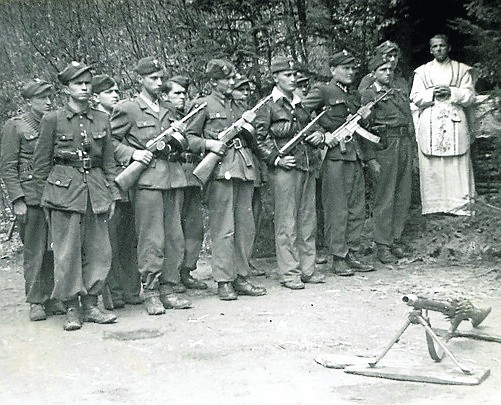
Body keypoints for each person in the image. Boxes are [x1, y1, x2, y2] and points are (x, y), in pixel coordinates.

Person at [32, 62, 119, 331]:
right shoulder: (52, 120)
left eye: (87, 83)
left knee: (100, 251)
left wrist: (112, 193)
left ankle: (91, 304)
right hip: (63, 194)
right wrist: (44, 200)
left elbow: (108, 162)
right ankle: (71, 307)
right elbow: (41, 165)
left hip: (95, 191)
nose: (83, 87)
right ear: (66, 88)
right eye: (77, 83)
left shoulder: (102, 119)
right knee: (67, 253)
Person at [111, 57, 192, 315]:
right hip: (146, 182)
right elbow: (109, 143)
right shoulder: (128, 109)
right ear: (140, 80)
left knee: (175, 238)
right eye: (153, 78)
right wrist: (132, 155)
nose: (158, 83)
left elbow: (178, 145)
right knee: (151, 239)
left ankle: (169, 288)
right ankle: (152, 291)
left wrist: (179, 134)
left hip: (172, 178)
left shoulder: (169, 109)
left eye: (160, 78)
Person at [185, 58, 267, 301]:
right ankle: (223, 280)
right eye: (227, 79)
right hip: (220, 170)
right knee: (224, 229)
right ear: (213, 82)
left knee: (245, 226)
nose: (232, 82)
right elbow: (189, 137)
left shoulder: (240, 105)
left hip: (243, 167)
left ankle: (241, 276)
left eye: (233, 78)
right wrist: (209, 143)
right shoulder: (203, 106)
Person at [302, 50, 380, 276]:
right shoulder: (323, 90)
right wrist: (322, 134)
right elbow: (300, 114)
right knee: (337, 209)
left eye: (353, 68)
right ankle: (338, 257)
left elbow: (362, 128)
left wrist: (366, 116)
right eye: (345, 68)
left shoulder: (353, 95)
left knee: (356, 208)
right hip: (334, 157)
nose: (350, 72)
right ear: (332, 70)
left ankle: (352, 252)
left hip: (353, 156)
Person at [254, 57, 326, 289]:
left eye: (294, 74)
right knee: (286, 223)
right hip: (285, 170)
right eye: (287, 75)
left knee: (307, 220)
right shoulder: (267, 105)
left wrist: (320, 136)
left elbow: (314, 128)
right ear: (275, 78)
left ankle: (308, 269)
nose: (293, 79)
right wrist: (276, 158)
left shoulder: (301, 103)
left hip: (307, 166)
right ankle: (289, 273)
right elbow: (258, 138)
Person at [0, 79, 65, 321]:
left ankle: (53, 296)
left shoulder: (55, 123)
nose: (48, 102)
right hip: (30, 196)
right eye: (41, 98)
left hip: (56, 193)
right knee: (35, 250)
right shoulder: (15, 126)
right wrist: (17, 199)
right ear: (28, 101)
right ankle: (36, 300)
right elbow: (7, 167)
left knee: (55, 248)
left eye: (49, 97)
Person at [410, 34, 476, 216]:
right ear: (430, 50)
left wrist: (451, 91)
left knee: (456, 163)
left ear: (449, 48)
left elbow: (470, 96)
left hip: (455, 119)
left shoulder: (461, 70)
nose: (439, 49)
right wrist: (432, 93)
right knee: (432, 165)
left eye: (442, 45)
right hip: (431, 121)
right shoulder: (421, 72)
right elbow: (415, 97)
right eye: (435, 46)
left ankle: (460, 206)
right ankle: (434, 206)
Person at [91, 74, 142, 308]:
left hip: (128, 187)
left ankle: (132, 290)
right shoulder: (92, 121)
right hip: (105, 186)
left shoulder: (122, 115)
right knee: (108, 243)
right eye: (109, 91)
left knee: (129, 241)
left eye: (116, 91)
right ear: (95, 97)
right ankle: (114, 294)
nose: (115, 95)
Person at [360, 54, 415, 264]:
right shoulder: (368, 95)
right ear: (373, 73)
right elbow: (364, 129)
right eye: (383, 70)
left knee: (403, 194)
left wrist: (413, 149)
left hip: (404, 143)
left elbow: (408, 120)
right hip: (385, 145)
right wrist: (370, 158)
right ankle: (382, 245)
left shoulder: (398, 92)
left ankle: (395, 239)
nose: (388, 73)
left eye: (390, 69)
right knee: (385, 195)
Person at [163, 74, 208, 291]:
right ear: (165, 95)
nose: (182, 97)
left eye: (184, 93)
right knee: (173, 229)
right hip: (173, 174)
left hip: (192, 173)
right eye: (176, 93)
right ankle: (170, 274)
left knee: (194, 226)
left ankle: (186, 271)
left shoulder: (190, 115)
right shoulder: (163, 117)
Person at [231, 74, 266, 277]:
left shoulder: (248, 112)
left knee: (253, 216)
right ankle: (237, 265)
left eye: (246, 90)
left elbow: (257, 141)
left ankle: (246, 260)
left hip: (252, 167)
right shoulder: (232, 113)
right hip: (236, 168)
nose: (244, 94)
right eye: (240, 90)